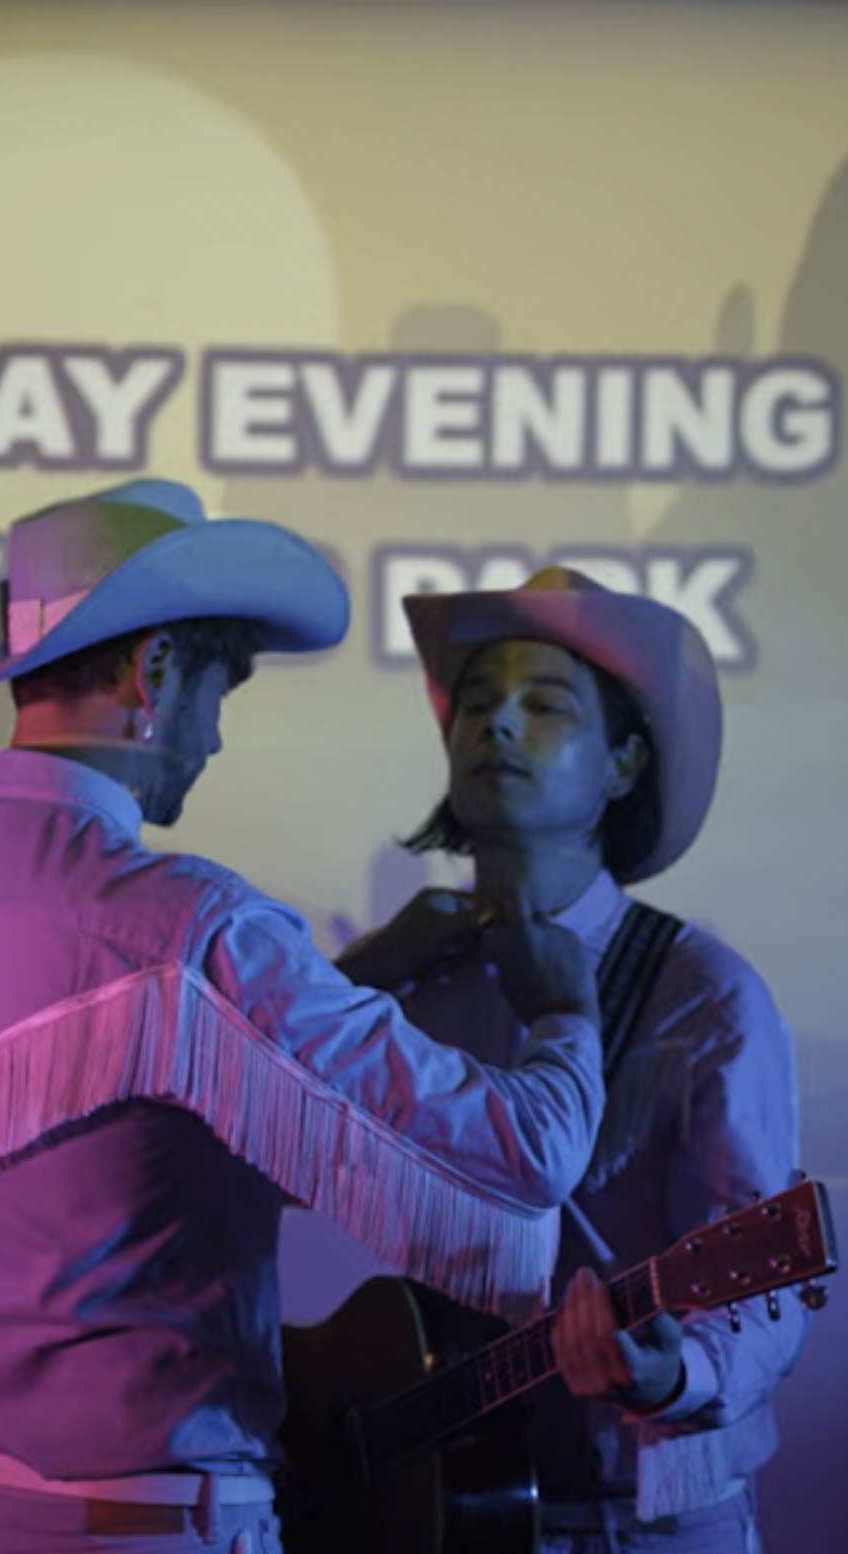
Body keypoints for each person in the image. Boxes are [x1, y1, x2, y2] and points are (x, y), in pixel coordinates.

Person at [0, 479, 608, 1554]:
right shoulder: (187, 926)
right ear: (153, 672)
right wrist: (565, 1009)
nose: (211, 739)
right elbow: (520, 1157)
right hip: (151, 1528)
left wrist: (362, 973)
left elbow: (127, 1108)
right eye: (222, 689)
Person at [335, 566, 806, 1553]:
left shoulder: (701, 992)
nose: (497, 725)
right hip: (438, 1510)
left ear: (623, 765)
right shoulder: (406, 983)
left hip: (642, 1522)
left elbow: (758, 1279)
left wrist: (672, 1374)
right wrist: (354, 980)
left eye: (544, 705)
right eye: (476, 704)